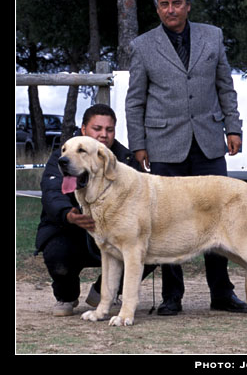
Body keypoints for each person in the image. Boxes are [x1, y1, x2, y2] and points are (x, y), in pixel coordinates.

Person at [125, 0, 247, 316]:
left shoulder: (213, 35)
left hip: (210, 143)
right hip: (164, 145)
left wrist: (233, 127)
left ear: (188, 5)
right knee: (166, 223)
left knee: (220, 220)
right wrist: (138, 144)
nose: (171, 9)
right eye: (164, 4)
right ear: (157, 8)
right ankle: (172, 297)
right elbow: (134, 101)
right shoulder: (142, 45)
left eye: (176, 3)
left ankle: (222, 294)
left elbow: (226, 87)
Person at [35, 104, 156, 316]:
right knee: (57, 253)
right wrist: (68, 214)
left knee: (151, 248)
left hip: (114, 233)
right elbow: (52, 192)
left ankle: (104, 292)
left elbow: (141, 197)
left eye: (109, 130)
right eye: (97, 128)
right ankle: (66, 296)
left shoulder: (125, 159)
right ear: (83, 129)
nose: (103, 135)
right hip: (71, 231)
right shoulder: (61, 157)